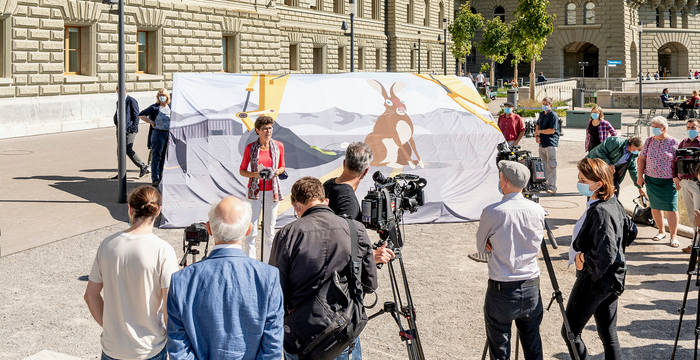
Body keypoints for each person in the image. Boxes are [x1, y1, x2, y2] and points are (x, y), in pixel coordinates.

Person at [269, 177, 378, 360]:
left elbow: (275, 288)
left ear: (296, 206)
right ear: (325, 201)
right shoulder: (355, 229)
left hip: (300, 334)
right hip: (343, 330)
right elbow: (369, 284)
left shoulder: (288, 234)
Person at [166, 196, 284, 359]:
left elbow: (178, 348)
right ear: (249, 230)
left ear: (209, 228)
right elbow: (272, 348)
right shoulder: (268, 277)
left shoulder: (181, 280)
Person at [83, 185, 178, 360]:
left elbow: (91, 295)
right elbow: (169, 306)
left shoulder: (108, 245)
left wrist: (110, 326)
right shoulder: (163, 251)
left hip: (113, 347)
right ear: (158, 212)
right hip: (149, 348)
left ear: (130, 209)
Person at [477, 160, 546, 360]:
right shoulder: (537, 210)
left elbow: (481, 246)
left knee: (500, 349)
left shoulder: (493, 211)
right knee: (533, 345)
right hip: (531, 285)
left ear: (504, 181)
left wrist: (493, 242)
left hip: (502, 288)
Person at [564, 158, 627, 360]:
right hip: (611, 278)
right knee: (608, 335)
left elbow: (606, 252)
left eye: (583, 179)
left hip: (595, 280)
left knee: (570, 331)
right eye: (579, 178)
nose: (579, 182)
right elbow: (630, 231)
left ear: (599, 183)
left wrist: (585, 259)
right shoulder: (612, 203)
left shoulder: (601, 210)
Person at [323, 142, 395, 265]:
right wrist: (372, 256)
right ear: (366, 171)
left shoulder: (328, 185)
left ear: (344, 163)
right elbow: (343, 247)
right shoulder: (348, 202)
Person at [239, 115, 285, 262]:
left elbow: (282, 166)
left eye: (270, 128)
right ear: (257, 130)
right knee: (251, 230)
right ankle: (251, 263)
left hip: (273, 191)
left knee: (269, 231)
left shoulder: (278, 146)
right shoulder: (250, 148)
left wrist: (277, 171)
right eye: (264, 128)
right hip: (255, 192)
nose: (268, 131)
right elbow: (242, 170)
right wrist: (256, 174)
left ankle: (267, 263)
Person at [637, 116, 681, 247]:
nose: (654, 129)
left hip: (668, 181)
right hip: (651, 179)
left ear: (664, 128)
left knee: (671, 208)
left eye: (656, 127)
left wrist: (678, 178)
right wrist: (640, 176)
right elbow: (642, 159)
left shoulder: (674, 142)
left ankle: (673, 236)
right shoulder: (649, 141)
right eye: (653, 127)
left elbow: (679, 162)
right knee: (655, 207)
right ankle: (661, 231)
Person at [673, 119, 700, 253]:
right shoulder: (683, 143)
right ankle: (694, 244)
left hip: (697, 184)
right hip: (685, 183)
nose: (691, 129)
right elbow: (675, 161)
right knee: (691, 215)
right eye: (688, 127)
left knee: (698, 215)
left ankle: (697, 246)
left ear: (699, 128)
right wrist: (675, 177)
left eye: (693, 127)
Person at [112, 87, 149, 179]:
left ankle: (142, 166)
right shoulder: (118, 101)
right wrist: (116, 122)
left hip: (129, 130)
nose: (119, 93)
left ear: (125, 91)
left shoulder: (131, 101)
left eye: (121, 91)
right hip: (120, 129)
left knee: (128, 149)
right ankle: (121, 172)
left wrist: (133, 128)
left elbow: (136, 115)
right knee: (120, 151)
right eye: (118, 91)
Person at [139, 89, 171, 187]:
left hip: (168, 134)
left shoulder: (170, 107)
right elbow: (141, 114)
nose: (162, 97)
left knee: (164, 158)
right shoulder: (155, 107)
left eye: (164, 95)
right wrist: (151, 122)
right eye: (160, 95)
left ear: (167, 97)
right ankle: (155, 179)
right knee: (156, 157)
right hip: (158, 134)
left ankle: (162, 177)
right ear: (158, 96)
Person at [535, 97, 559, 194]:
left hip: (551, 143)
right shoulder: (541, 114)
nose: (544, 106)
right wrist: (537, 135)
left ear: (550, 105)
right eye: (543, 104)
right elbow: (538, 125)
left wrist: (540, 131)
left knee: (551, 165)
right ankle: (543, 185)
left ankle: (552, 186)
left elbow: (552, 130)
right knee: (542, 165)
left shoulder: (553, 115)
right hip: (542, 143)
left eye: (546, 104)